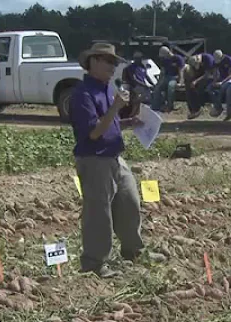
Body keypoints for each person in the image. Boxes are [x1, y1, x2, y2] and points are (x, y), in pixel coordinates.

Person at [70, 42, 164, 278]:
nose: (113, 67)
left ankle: (134, 251)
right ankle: (94, 263)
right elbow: (92, 133)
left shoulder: (107, 89)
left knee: (130, 202)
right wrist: (114, 108)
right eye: (108, 61)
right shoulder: (82, 94)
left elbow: (109, 124)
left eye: (114, 63)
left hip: (114, 157)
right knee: (98, 212)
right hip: (94, 160)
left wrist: (127, 123)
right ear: (93, 62)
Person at [151, 46, 184, 112]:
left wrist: (180, 82)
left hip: (175, 77)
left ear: (168, 53)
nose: (163, 57)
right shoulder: (164, 60)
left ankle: (169, 106)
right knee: (157, 88)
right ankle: (155, 107)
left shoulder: (178, 58)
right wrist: (159, 82)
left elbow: (181, 71)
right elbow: (162, 72)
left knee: (170, 86)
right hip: (167, 77)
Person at [185, 52, 215, 119]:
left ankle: (200, 106)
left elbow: (207, 74)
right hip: (200, 77)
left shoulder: (208, 59)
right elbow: (193, 72)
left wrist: (195, 81)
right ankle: (193, 110)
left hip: (210, 77)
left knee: (199, 87)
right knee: (188, 86)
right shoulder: (193, 61)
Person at [123, 51, 153, 117]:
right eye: (137, 58)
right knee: (140, 99)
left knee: (148, 97)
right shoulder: (131, 67)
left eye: (140, 58)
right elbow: (134, 79)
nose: (139, 59)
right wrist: (145, 85)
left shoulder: (142, 66)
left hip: (143, 86)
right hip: (135, 86)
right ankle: (133, 114)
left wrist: (153, 84)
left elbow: (146, 76)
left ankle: (141, 113)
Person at [208, 50, 231, 119]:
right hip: (221, 79)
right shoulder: (215, 61)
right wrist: (214, 81)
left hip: (230, 80)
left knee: (222, 88)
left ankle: (220, 109)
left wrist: (221, 82)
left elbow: (230, 75)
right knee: (209, 88)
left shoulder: (229, 60)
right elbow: (215, 72)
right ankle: (218, 106)